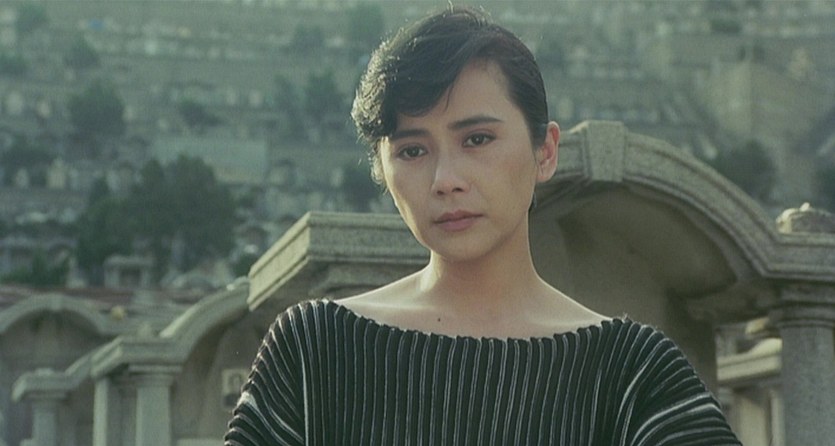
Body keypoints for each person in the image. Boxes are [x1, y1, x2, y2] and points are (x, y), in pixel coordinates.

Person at [225, 6, 741, 445]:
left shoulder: (632, 375)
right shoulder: (315, 352)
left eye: (477, 140)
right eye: (412, 150)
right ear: (382, 170)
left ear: (545, 151)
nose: (446, 180)